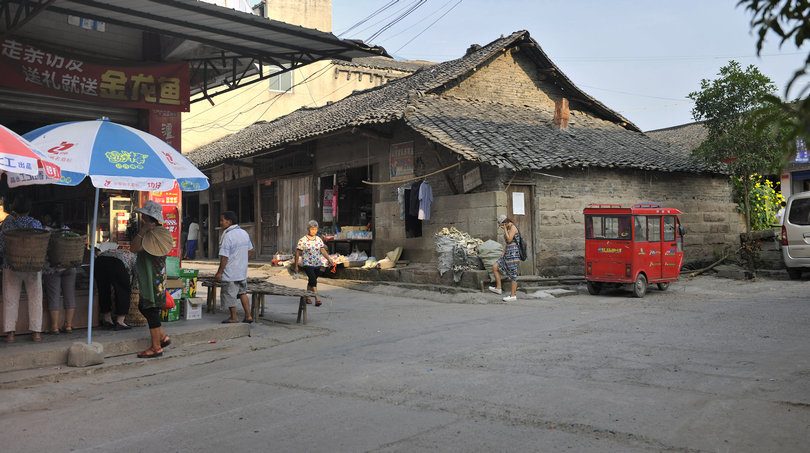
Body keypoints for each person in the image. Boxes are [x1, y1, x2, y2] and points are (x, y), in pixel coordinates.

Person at [130, 200, 173, 358]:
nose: (141, 217)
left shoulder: (152, 234)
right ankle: (162, 336)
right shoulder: (161, 232)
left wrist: (142, 231)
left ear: (148, 218)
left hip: (151, 279)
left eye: (144, 215)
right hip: (157, 278)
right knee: (144, 306)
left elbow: (134, 248)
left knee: (150, 309)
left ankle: (156, 347)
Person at [1, 194, 44, 342]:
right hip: (32, 265)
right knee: (36, 298)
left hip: (11, 265)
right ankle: (36, 333)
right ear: (29, 209)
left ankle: (10, 334)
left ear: (14, 208)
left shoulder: (7, 224)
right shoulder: (36, 224)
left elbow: (1, 245)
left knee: (10, 298)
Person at [41, 211, 78, 334]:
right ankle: (68, 325)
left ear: (48, 216)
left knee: (54, 296)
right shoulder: (66, 229)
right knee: (69, 295)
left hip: (52, 268)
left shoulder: (45, 230)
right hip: (69, 266)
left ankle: (55, 327)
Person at [215, 211, 255, 323]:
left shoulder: (228, 236)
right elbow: (251, 250)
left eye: (222, 220)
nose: (221, 222)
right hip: (241, 271)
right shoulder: (244, 233)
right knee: (242, 292)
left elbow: (224, 257)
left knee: (229, 294)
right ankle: (248, 316)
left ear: (229, 222)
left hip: (230, 272)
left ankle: (233, 317)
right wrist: (242, 260)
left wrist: (219, 272)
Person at [294, 220, 335, 307]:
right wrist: (296, 266)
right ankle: (317, 299)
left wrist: (329, 259)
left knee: (312, 280)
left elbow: (322, 250)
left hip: (317, 263)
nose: (314, 231)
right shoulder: (303, 240)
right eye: (312, 229)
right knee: (313, 280)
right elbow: (297, 253)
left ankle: (307, 297)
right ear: (308, 229)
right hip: (307, 263)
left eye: (315, 229)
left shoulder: (318, 239)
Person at [94, 247, 137, 331]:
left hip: (99, 261)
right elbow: (136, 276)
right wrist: (133, 286)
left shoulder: (114, 251)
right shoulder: (134, 258)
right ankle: (120, 321)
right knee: (124, 290)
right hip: (116, 263)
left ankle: (107, 319)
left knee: (103, 290)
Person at [488, 214, 520, 302]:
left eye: (501, 225)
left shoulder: (513, 227)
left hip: (514, 253)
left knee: (513, 274)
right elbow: (508, 243)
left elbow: (509, 239)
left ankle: (513, 295)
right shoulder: (509, 228)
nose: (500, 226)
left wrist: (505, 229)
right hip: (508, 253)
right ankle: (498, 288)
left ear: (504, 223)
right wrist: (504, 252)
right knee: (495, 266)